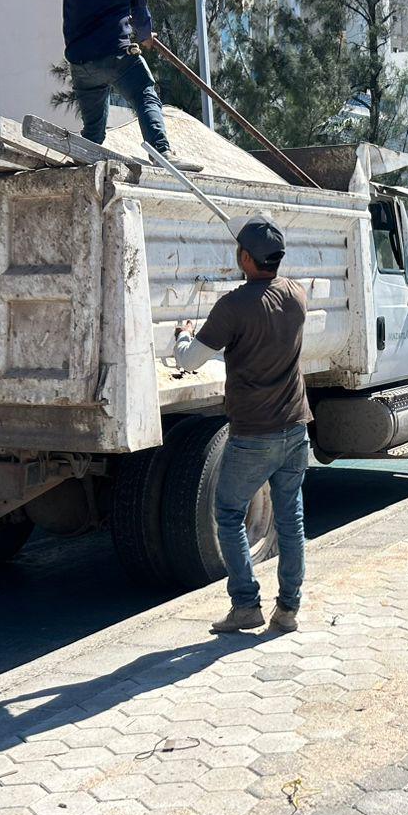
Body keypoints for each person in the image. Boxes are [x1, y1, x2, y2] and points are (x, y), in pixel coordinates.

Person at [174, 219, 309, 633]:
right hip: (295, 427)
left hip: (254, 433)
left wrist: (183, 336)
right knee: (291, 518)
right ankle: (287, 610)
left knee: (229, 513)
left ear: (246, 259)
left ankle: (246, 604)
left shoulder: (234, 306)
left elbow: (188, 361)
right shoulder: (296, 296)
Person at [8, 0, 202, 172]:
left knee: (94, 130)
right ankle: (161, 151)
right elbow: (143, 26)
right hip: (118, 57)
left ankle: (85, 157)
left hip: (81, 63)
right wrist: (146, 38)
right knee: (145, 95)